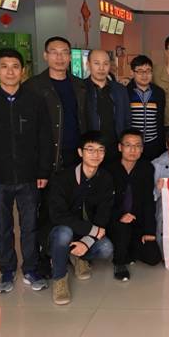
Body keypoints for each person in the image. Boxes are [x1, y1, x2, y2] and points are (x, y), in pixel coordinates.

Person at [0, 48, 52, 294]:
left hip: (29, 177)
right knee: (3, 226)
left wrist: (43, 171)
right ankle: (6, 270)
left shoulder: (35, 102)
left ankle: (31, 269)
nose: (10, 71)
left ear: (23, 71)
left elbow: (45, 139)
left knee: (30, 226)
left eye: (15, 66)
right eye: (4, 66)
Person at [47, 131, 115, 305]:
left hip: (86, 233)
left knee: (106, 248)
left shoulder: (106, 178)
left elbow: (104, 213)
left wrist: (87, 241)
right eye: (90, 149)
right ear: (80, 152)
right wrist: (92, 231)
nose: (96, 154)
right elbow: (57, 215)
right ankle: (59, 278)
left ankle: (79, 256)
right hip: (60, 230)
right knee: (64, 233)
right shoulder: (62, 178)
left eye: (100, 150)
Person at [25, 36, 87, 171]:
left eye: (64, 52)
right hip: (47, 154)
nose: (60, 57)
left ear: (70, 57)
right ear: (45, 56)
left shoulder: (80, 85)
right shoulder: (32, 86)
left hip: (77, 152)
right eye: (54, 52)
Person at [107, 128, 161, 281]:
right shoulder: (109, 169)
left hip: (137, 220)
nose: (133, 150)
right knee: (122, 228)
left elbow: (149, 201)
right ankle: (119, 263)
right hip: (114, 220)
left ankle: (128, 247)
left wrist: (149, 231)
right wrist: (120, 215)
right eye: (128, 145)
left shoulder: (146, 168)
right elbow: (104, 202)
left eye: (137, 146)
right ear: (120, 147)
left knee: (153, 258)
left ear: (142, 149)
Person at [85, 49, 131, 163]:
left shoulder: (120, 90)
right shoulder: (81, 89)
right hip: (90, 149)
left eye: (105, 64)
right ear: (88, 65)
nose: (101, 68)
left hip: (115, 148)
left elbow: (127, 119)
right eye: (97, 63)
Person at [127, 55, 166, 161]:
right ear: (132, 73)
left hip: (153, 142)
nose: (144, 75)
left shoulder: (159, 92)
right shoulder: (126, 92)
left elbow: (161, 118)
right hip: (132, 144)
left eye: (148, 71)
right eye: (140, 71)